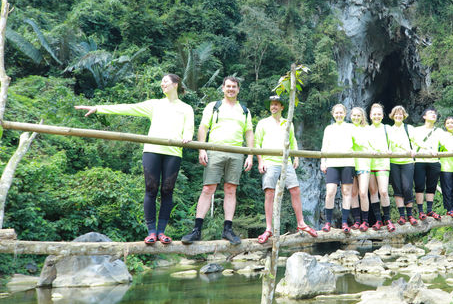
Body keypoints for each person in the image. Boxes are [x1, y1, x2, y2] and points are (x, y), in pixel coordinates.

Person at [75, 74, 194, 245]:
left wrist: (187, 137)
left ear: (175, 84)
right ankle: (151, 232)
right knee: (151, 189)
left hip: (174, 152)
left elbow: (189, 128)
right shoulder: (154, 105)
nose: (162, 84)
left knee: (167, 191)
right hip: (152, 150)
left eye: (165, 81)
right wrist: (98, 108)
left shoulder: (186, 108)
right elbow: (127, 108)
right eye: (161, 82)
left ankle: (162, 232)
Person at [181, 76, 253, 245]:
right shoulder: (213, 106)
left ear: (238, 89)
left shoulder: (244, 110)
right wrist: (201, 149)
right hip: (215, 150)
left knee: (230, 189)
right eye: (228, 86)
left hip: (237, 152)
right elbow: (203, 128)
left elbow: (249, 133)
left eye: (234, 87)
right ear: (222, 88)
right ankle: (196, 230)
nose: (231, 89)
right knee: (208, 188)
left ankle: (227, 230)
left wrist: (250, 155)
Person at [254, 95, 317, 243]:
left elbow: (292, 140)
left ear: (282, 107)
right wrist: (260, 161)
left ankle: (301, 223)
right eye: (272, 104)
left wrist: (296, 157)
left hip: (286, 162)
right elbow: (257, 143)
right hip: (269, 161)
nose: (274, 107)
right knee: (269, 192)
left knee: (295, 190)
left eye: (277, 104)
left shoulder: (288, 123)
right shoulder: (263, 123)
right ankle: (268, 228)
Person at [320, 103, 356, 233]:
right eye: (337, 113)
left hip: (348, 163)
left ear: (345, 114)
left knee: (347, 193)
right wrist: (323, 162)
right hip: (332, 163)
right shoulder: (328, 129)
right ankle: (327, 222)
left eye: (341, 112)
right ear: (333, 114)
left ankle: (345, 222)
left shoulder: (351, 127)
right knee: (330, 192)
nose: (339, 115)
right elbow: (324, 146)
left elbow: (359, 145)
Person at [413, 107, 446, 221]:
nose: (433, 115)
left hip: (434, 161)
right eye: (430, 113)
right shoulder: (416, 130)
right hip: (420, 161)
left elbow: (447, 143)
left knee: (431, 186)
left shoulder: (439, 131)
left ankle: (430, 210)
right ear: (424, 117)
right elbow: (417, 142)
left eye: (435, 113)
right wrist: (428, 149)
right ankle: (421, 211)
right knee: (419, 186)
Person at [387, 105, 417, 227]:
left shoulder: (408, 128)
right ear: (392, 116)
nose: (398, 116)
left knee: (407, 187)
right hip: (394, 162)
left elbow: (415, 141)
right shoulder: (389, 129)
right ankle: (401, 216)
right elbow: (387, 143)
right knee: (397, 188)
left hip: (407, 162)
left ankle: (410, 214)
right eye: (396, 114)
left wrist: (414, 150)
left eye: (400, 114)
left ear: (404, 116)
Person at [366, 103, 393, 231]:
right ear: (370, 116)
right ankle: (378, 220)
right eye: (374, 114)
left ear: (382, 116)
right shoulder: (366, 129)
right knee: (373, 192)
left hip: (383, 162)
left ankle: (387, 219)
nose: (376, 116)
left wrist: (390, 151)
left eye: (379, 114)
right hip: (370, 163)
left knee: (383, 191)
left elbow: (393, 143)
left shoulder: (387, 128)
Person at [349, 107, 371, 232]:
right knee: (353, 194)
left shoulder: (367, 129)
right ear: (351, 116)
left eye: (359, 116)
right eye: (354, 115)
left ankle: (365, 221)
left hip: (363, 163)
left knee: (363, 193)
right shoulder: (347, 129)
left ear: (362, 117)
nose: (356, 118)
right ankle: (357, 221)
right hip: (351, 163)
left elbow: (367, 144)